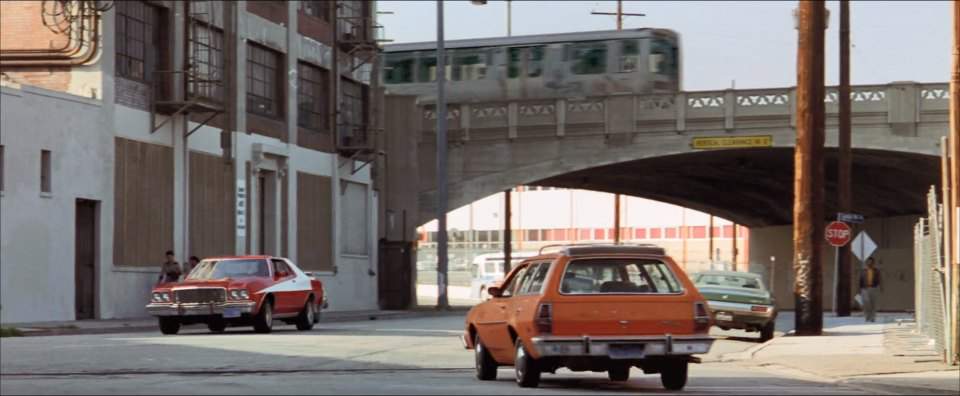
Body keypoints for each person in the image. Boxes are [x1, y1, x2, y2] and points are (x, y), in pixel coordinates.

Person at [859, 257, 882, 323]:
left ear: (873, 263)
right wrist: (860, 289)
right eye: (868, 262)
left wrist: (880, 287)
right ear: (867, 263)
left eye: (871, 262)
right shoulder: (863, 270)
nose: (870, 263)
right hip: (865, 288)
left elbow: (879, 279)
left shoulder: (876, 270)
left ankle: (872, 317)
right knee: (866, 302)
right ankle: (867, 316)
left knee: (873, 303)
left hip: (873, 288)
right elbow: (860, 280)